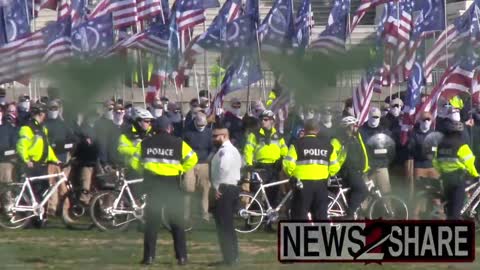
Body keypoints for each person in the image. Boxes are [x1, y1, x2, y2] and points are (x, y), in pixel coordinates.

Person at [131, 117, 198, 266]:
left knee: (152, 224)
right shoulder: (178, 143)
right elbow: (193, 158)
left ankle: (149, 257)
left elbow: (133, 161)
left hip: (153, 184)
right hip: (172, 184)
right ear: (169, 128)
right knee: (177, 223)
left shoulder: (145, 143)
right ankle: (181, 257)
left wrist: (144, 171)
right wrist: (181, 169)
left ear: (155, 128)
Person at [282, 119, 340, 220]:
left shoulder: (297, 144)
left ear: (304, 130)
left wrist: (291, 175)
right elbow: (335, 166)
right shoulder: (328, 146)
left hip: (302, 185)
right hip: (321, 184)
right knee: (321, 215)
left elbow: (288, 164)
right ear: (318, 130)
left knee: (299, 214)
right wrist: (328, 174)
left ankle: (300, 235)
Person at [16, 103, 60, 227]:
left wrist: (55, 160)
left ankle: (40, 218)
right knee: (33, 192)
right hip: (32, 164)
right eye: (44, 113)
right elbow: (21, 145)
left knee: (43, 191)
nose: (45, 115)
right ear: (40, 114)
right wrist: (26, 160)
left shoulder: (42, 128)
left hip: (42, 164)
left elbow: (47, 148)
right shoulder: (27, 128)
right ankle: (29, 220)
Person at [244, 110, 288, 230]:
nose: (263, 121)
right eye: (262, 119)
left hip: (274, 168)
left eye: (266, 119)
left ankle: (268, 224)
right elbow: (248, 149)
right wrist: (248, 163)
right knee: (256, 195)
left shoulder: (279, 135)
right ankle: (249, 222)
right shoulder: (255, 134)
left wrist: (282, 160)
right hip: (259, 167)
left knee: (272, 196)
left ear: (272, 121)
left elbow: (285, 151)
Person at [433, 120, 479, 220]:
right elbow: (469, 163)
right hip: (458, 180)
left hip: (445, 179)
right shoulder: (461, 146)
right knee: (455, 211)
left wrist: (442, 171)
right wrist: (476, 175)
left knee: (450, 207)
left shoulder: (440, 146)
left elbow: (435, 162)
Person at [209, 126, 242, 266]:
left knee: (224, 225)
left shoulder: (225, 151)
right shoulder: (232, 150)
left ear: (223, 136)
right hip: (231, 187)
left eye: (215, 136)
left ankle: (229, 258)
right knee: (227, 225)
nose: (213, 139)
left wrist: (217, 187)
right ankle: (232, 257)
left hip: (225, 188)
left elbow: (224, 168)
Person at [332, 116, 370, 218]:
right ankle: (350, 214)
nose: (356, 127)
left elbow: (363, 152)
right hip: (348, 170)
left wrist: (365, 167)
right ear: (348, 127)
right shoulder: (339, 139)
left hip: (357, 170)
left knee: (352, 193)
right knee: (362, 190)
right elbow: (332, 155)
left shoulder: (356, 137)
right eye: (354, 125)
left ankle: (350, 211)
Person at [407, 111, 441, 219]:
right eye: (424, 119)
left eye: (428, 119)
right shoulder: (414, 134)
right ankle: (415, 215)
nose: (426, 121)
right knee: (420, 192)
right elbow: (410, 151)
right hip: (420, 167)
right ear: (420, 121)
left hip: (433, 167)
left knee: (436, 193)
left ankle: (440, 214)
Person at [182, 112, 214, 222]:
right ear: (195, 121)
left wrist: (209, 159)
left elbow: (212, 148)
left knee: (205, 189)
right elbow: (182, 147)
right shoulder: (187, 132)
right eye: (199, 125)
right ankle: (186, 215)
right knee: (188, 189)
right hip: (190, 164)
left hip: (204, 163)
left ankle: (205, 214)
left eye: (203, 125)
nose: (201, 127)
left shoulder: (209, 133)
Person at [359, 107, 393, 195]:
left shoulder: (385, 132)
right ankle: (365, 209)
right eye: (372, 116)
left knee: (386, 194)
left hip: (381, 167)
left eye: (377, 117)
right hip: (367, 168)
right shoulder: (361, 131)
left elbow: (390, 149)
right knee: (366, 194)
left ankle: (387, 209)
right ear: (368, 116)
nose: (374, 119)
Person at [118, 107, 153, 172]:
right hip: (132, 169)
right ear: (138, 121)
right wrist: (139, 150)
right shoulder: (127, 133)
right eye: (146, 121)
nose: (149, 123)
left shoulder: (152, 132)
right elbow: (121, 148)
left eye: (150, 121)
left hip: (148, 169)